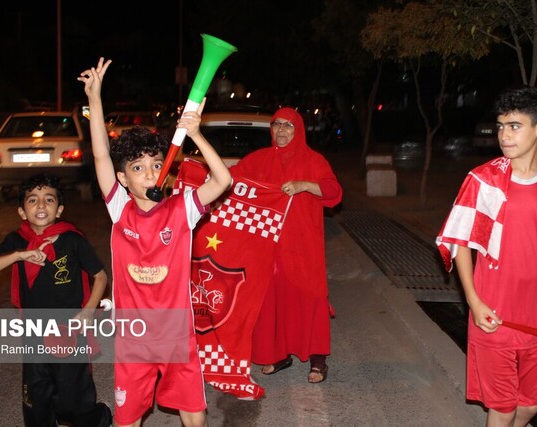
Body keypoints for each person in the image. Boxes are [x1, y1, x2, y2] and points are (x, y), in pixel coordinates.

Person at [79, 57, 231, 427]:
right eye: (137, 167)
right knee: (127, 419)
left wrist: (196, 134)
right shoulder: (119, 208)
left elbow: (223, 180)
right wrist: (95, 99)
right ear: (123, 179)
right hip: (133, 340)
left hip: (176, 335)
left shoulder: (183, 208)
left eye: (155, 164)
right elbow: (101, 152)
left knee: (194, 416)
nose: (148, 172)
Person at [436, 86, 537, 427]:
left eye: (514, 126)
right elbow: (459, 242)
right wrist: (473, 302)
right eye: (501, 126)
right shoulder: (483, 181)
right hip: (494, 315)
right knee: (502, 408)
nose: (504, 135)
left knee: (532, 404)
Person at [0, 173, 112, 427]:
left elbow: (100, 276)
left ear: (59, 209)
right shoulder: (17, 241)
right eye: (33, 200)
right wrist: (18, 256)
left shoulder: (72, 239)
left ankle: (100, 416)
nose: (40, 205)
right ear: (22, 212)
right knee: (36, 402)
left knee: (72, 402)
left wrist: (88, 311)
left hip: (69, 329)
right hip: (33, 331)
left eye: (48, 199)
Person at [230, 107, 343, 384]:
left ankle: (318, 360)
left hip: (304, 246)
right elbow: (231, 178)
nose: (281, 131)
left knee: (310, 297)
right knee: (272, 300)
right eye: (277, 125)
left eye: (288, 126)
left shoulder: (313, 160)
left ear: (298, 130)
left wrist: (305, 185)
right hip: (267, 247)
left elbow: (334, 192)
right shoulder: (259, 159)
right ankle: (279, 355)